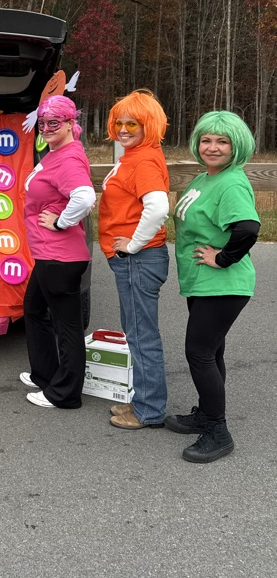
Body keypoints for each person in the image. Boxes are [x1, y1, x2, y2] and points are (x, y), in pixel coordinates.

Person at [167, 110, 260, 463]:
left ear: (236, 146)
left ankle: (218, 431)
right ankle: (206, 414)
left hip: (224, 283)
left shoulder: (231, 181)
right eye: (207, 139)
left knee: (199, 353)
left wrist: (222, 259)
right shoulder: (206, 178)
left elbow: (248, 228)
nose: (213, 147)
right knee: (212, 351)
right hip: (203, 282)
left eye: (222, 141)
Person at [99, 89, 170, 430]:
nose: (124, 129)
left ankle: (149, 410)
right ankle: (143, 399)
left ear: (149, 125)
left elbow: (158, 207)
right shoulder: (136, 154)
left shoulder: (142, 160)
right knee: (136, 332)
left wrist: (133, 244)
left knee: (142, 335)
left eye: (133, 123)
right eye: (119, 122)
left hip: (138, 260)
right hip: (132, 259)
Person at [19, 95, 96, 409]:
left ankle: (65, 393)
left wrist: (62, 222)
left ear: (69, 123)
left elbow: (84, 196)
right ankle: (46, 373)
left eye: (55, 122)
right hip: (47, 254)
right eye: (43, 123)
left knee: (67, 325)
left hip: (60, 257)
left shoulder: (68, 158)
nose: (48, 128)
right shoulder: (56, 152)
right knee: (34, 311)